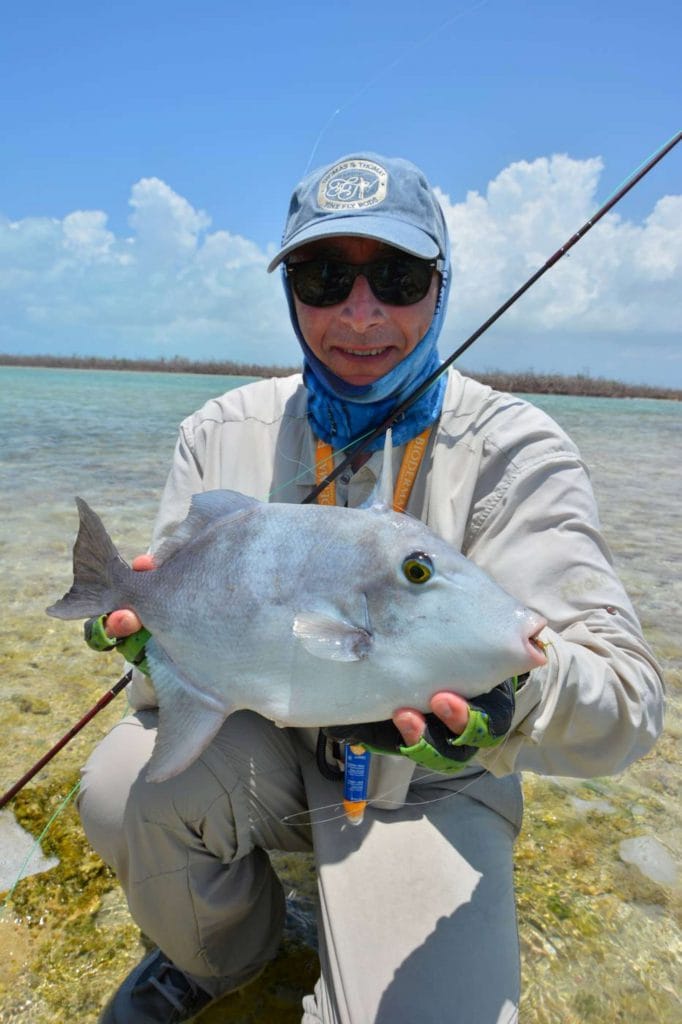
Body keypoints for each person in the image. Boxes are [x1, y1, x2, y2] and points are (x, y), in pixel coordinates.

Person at [78, 153, 664, 1024]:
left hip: (428, 783)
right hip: (260, 740)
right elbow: (170, 673)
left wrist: (515, 700)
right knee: (123, 786)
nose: (360, 313)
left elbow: (628, 705)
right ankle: (227, 956)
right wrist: (151, 641)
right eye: (323, 277)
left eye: (396, 276)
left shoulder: (516, 449)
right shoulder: (219, 431)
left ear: (441, 286)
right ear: (291, 294)